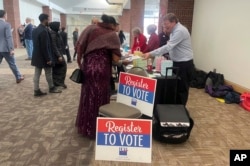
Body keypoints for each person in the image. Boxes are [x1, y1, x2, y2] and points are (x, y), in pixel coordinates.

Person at [75, 14, 121, 139]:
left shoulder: (90, 28)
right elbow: (116, 58)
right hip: (102, 69)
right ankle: (98, 128)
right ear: (111, 24)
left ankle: (86, 126)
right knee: (100, 97)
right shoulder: (112, 35)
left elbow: (79, 46)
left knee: (88, 96)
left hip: (88, 67)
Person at [143, 13, 195, 105]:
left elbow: (168, 47)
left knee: (182, 89)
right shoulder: (173, 31)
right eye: (164, 24)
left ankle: (180, 111)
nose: (165, 26)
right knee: (174, 87)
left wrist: (151, 53)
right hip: (176, 62)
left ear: (174, 22)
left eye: (166, 24)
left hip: (184, 64)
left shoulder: (179, 31)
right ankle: (173, 108)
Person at [31, 13, 61, 96]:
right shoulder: (44, 31)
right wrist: (48, 59)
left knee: (37, 73)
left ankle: (36, 90)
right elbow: (45, 46)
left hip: (36, 55)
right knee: (48, 73)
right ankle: (52, 88)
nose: (49, 21)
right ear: (45, 20)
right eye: (48, 19)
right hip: (44, 56)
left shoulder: (35, 30)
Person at [0, 10, 24, 83]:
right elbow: (9, 37)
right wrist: (11, 49)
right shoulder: (6, 25)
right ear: (4, 15)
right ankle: (18, 77)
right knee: (12, 63)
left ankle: (19, 76)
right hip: (6, 48)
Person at [49, 22, 67, 89]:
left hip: (58, 53)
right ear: (55, 26)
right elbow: (54, 46)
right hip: (56, 55)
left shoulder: (56, 33)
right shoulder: (53, 34)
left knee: (57, 68)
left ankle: (58, 82)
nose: (59, 27)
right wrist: (59, 55)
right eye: (59, 26)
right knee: (62, 67)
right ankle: (59, 82)